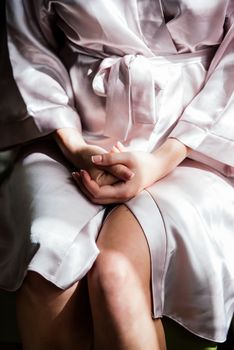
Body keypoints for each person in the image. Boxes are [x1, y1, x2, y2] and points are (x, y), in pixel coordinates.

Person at [1, 0, 234, 349]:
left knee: (116, 273)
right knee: (47, 270)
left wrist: (163, 158)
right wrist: (76, 146)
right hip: (70, 134)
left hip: (198, 144)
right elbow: (26, 46)